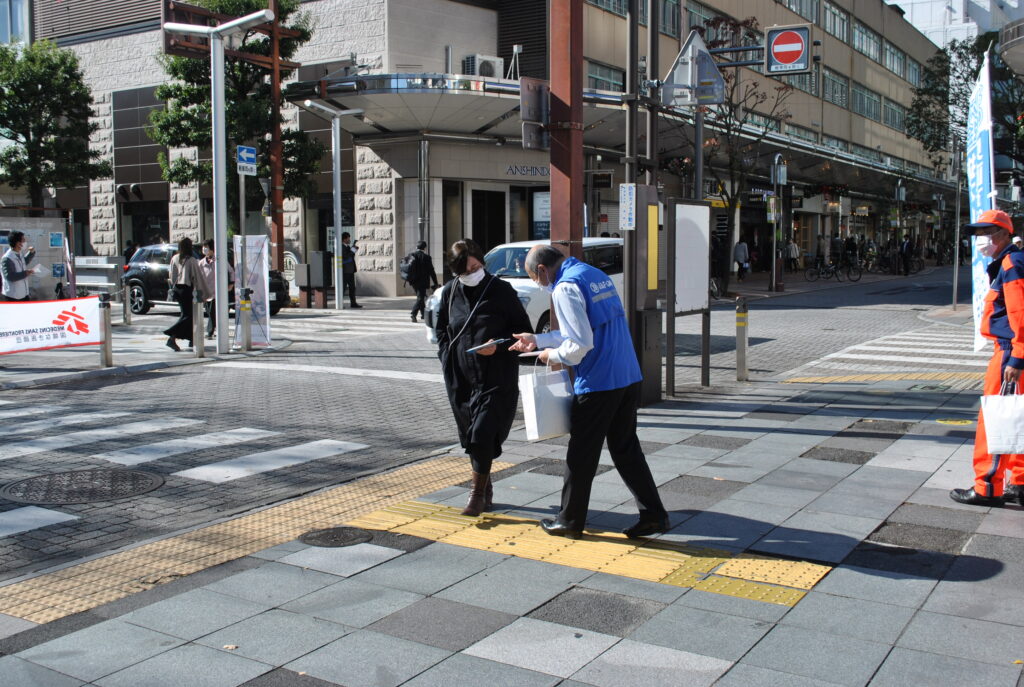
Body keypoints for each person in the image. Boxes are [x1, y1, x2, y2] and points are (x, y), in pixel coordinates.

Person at [510, 244, 670, 539]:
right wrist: (538, 339)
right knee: (626, 450)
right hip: (627, 374)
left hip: (598, 382)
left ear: (543, 270)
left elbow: (579, 345)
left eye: (534, 277)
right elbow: (585, 329)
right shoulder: (593, 274)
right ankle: (654, 515)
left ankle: (569, 521)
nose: (538, 283)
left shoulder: (565, 288)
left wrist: (550, 356)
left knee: (581, 454)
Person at [435, 239, 531, 516]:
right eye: (466, 271)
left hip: (496, 376)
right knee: (470, 436)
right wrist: (446, 358)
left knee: (482, 433)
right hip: (461, 377)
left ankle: (476, 494)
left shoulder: (501, 291)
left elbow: (521, 332)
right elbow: (442, 329)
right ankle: (485, 484)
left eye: (476, 266)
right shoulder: (450, 292)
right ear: (456, 272)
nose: (473, 273)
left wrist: (497, 346)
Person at [950, 209, 1024, 507]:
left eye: (987, 232)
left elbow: (1019, 313)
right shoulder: (1010, 261)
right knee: (1017, 415)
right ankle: (1019, 482)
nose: (982, 239)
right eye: (979, 233)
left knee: (995, 418)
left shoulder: (1011, 264)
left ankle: (987, 486)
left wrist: (1017, 357)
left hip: (1010, 350)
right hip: (1014, 349)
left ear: (1005, 234)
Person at [163, 237, 200, 351]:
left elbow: (171, 275)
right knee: (188, 315)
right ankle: (172, 335)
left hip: (177, 289)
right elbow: (195, 277)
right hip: (186, 289)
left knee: (186, 314)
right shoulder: (191, 260)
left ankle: (191, 338)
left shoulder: (175, 258)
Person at [195, 239, 234, 340]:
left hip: (218, 291)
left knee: (213, 311)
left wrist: (231, 283)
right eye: (203, 247)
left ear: (212, 248)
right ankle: (216, 329)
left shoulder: (220, 260)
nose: (204, 249)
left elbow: (231, 272)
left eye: (206, 247)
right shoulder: (201, 263)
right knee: (210, 312)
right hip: (206, 292)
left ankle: (210, 331)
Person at [1, 231, 39, 302]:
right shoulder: (7, 258)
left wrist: (31, 253)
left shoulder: (19, 253)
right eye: (23, 240)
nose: (25, 242)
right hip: (13, 296)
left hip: (24, 294)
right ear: (18, 243)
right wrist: (26, 273)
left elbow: (23, 263)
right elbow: (10, 276)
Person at [407, 240, 439, 323]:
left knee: (420, 297)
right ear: (424, 248)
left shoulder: (411, 255)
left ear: (417, 247)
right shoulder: (427, 257)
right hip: (422, 281)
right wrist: (435, 282)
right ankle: (413, 314)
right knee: (420, 298)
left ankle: (423, 315)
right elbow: (431, 271)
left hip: (413, 281)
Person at [341, 232, 362, 308]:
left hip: (350, 270)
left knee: (352, 288)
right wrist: (353, 248)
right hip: (345, 271)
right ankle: (340, 303)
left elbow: (350, 255)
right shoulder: (341, 247)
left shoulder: (347, 247)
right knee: (342, 288)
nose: (349, 239)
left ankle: (353, 303)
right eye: (348, 238)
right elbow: (347, 256)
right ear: (344, 239)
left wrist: (353, 248)